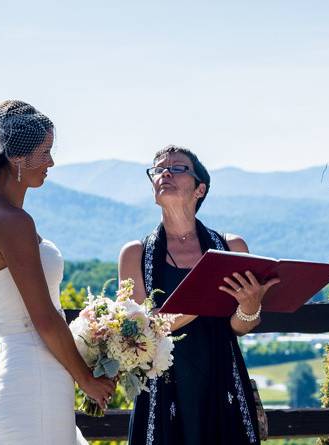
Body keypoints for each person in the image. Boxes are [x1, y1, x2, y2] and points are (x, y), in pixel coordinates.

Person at [0, 100, 115, 444]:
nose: (51, 162)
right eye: (44, 152)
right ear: (17, 157)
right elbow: (44, 317)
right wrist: (87, 380)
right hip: (34, 383)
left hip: (35, 378)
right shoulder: (12, 222)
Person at [118, 145, 279, 445]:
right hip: (163, 389)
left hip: (221, 381)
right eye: (157, 169)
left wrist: (250, 305)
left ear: (200, 189)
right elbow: (137, 333)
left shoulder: (232, 248)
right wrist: (202, 298)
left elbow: (240, 327)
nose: (165, 173)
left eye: (177, 168)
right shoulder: (135, 254)